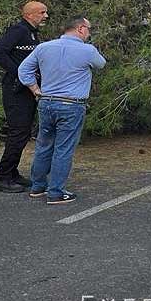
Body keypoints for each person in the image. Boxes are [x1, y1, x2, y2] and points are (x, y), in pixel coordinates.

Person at [19, 16, 106, 205]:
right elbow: (101, 64)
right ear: (81, 29)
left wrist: (35, 89)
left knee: (44, 145)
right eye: (88, 29)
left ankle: (37, 186)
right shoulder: (87, 50)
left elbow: (23, 69)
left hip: (46, 102)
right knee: (63, 149)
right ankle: (56, 192)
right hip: (71, 104)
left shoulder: (43, 47)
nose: (89, 34)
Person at [0, 1, 48, 193]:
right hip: (15, 91)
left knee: (23, 133)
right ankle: (1, 177)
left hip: (26, 91)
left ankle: (12, 173)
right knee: (18, 132)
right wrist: (20, 73)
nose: (46, 16)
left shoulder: (32, 34)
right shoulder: (18, 30)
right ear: (29, 14)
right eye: (42, 12)